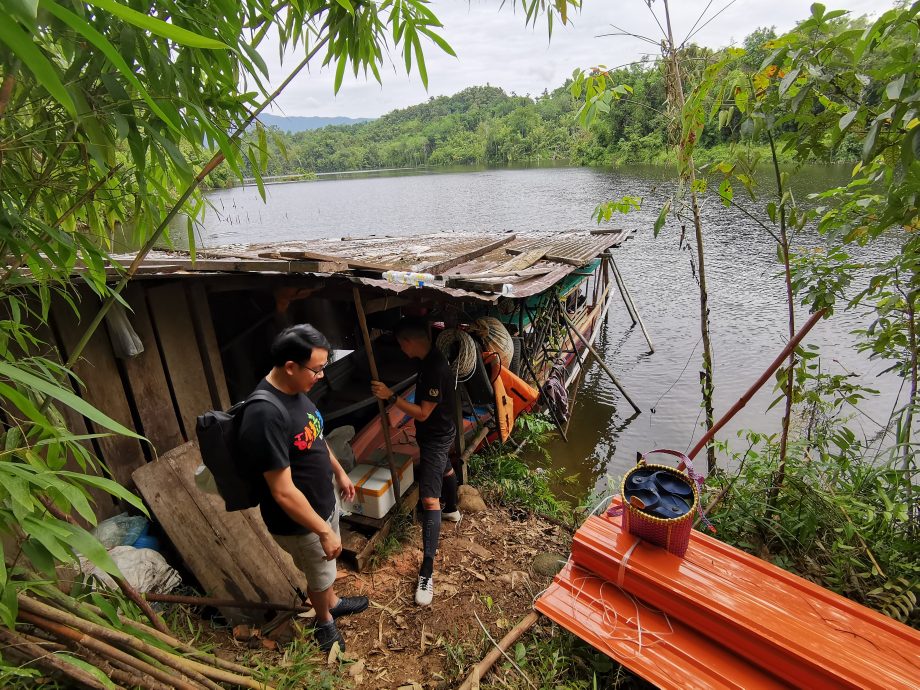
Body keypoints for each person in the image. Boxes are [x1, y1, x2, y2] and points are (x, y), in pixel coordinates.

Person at [238, 324, 368, 652]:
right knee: (319, 576)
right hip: (301, 523)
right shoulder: (265, 415)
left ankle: (332, 602)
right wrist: (322, 531)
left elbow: (314, 437)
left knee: (324, 571)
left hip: (322, 503)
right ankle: (325, 622)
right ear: (290, 366)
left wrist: (339, 472)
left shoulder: (296, 391)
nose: (322, 376)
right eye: (317, 369)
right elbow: (282, 491)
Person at [370, 318, 460, 607]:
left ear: (409, 341)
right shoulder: (428, 360)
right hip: (440, 431)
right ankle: (453, 510)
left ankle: (427, 572)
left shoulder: (434, 368)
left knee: (429, 499)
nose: (401, 350)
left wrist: (391, 396)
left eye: (401, 344)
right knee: (445, 469)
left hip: (435, 437)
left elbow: (422, 413)